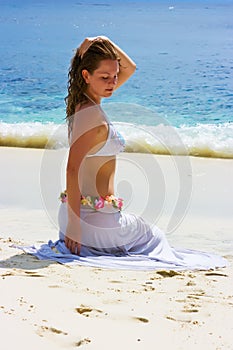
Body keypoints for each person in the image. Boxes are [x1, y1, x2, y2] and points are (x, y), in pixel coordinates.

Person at [57, 36, 226, 270]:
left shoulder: (83, 103)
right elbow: (72, 168)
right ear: (86, 75)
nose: (112, 83)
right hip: (92, 224)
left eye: (114, 77)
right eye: (104, 77)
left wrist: (104, 41)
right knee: (154, 236)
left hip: (78, 218)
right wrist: (75, 226)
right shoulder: (90, 114)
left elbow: (131, 68)